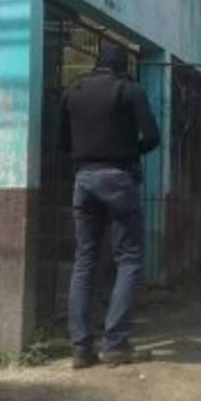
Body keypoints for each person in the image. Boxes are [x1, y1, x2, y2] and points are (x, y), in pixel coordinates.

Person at [57, 42, 160, 369]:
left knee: (84, 261)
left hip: (83, 180)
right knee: (129, 259)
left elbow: (62, 143)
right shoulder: (129, 91)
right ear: (123, 66)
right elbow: (153, 136)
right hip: (119, 179)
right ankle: (115, 343)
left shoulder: (72, 92)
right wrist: (127, 152)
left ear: (96, 64)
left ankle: (80, 349)